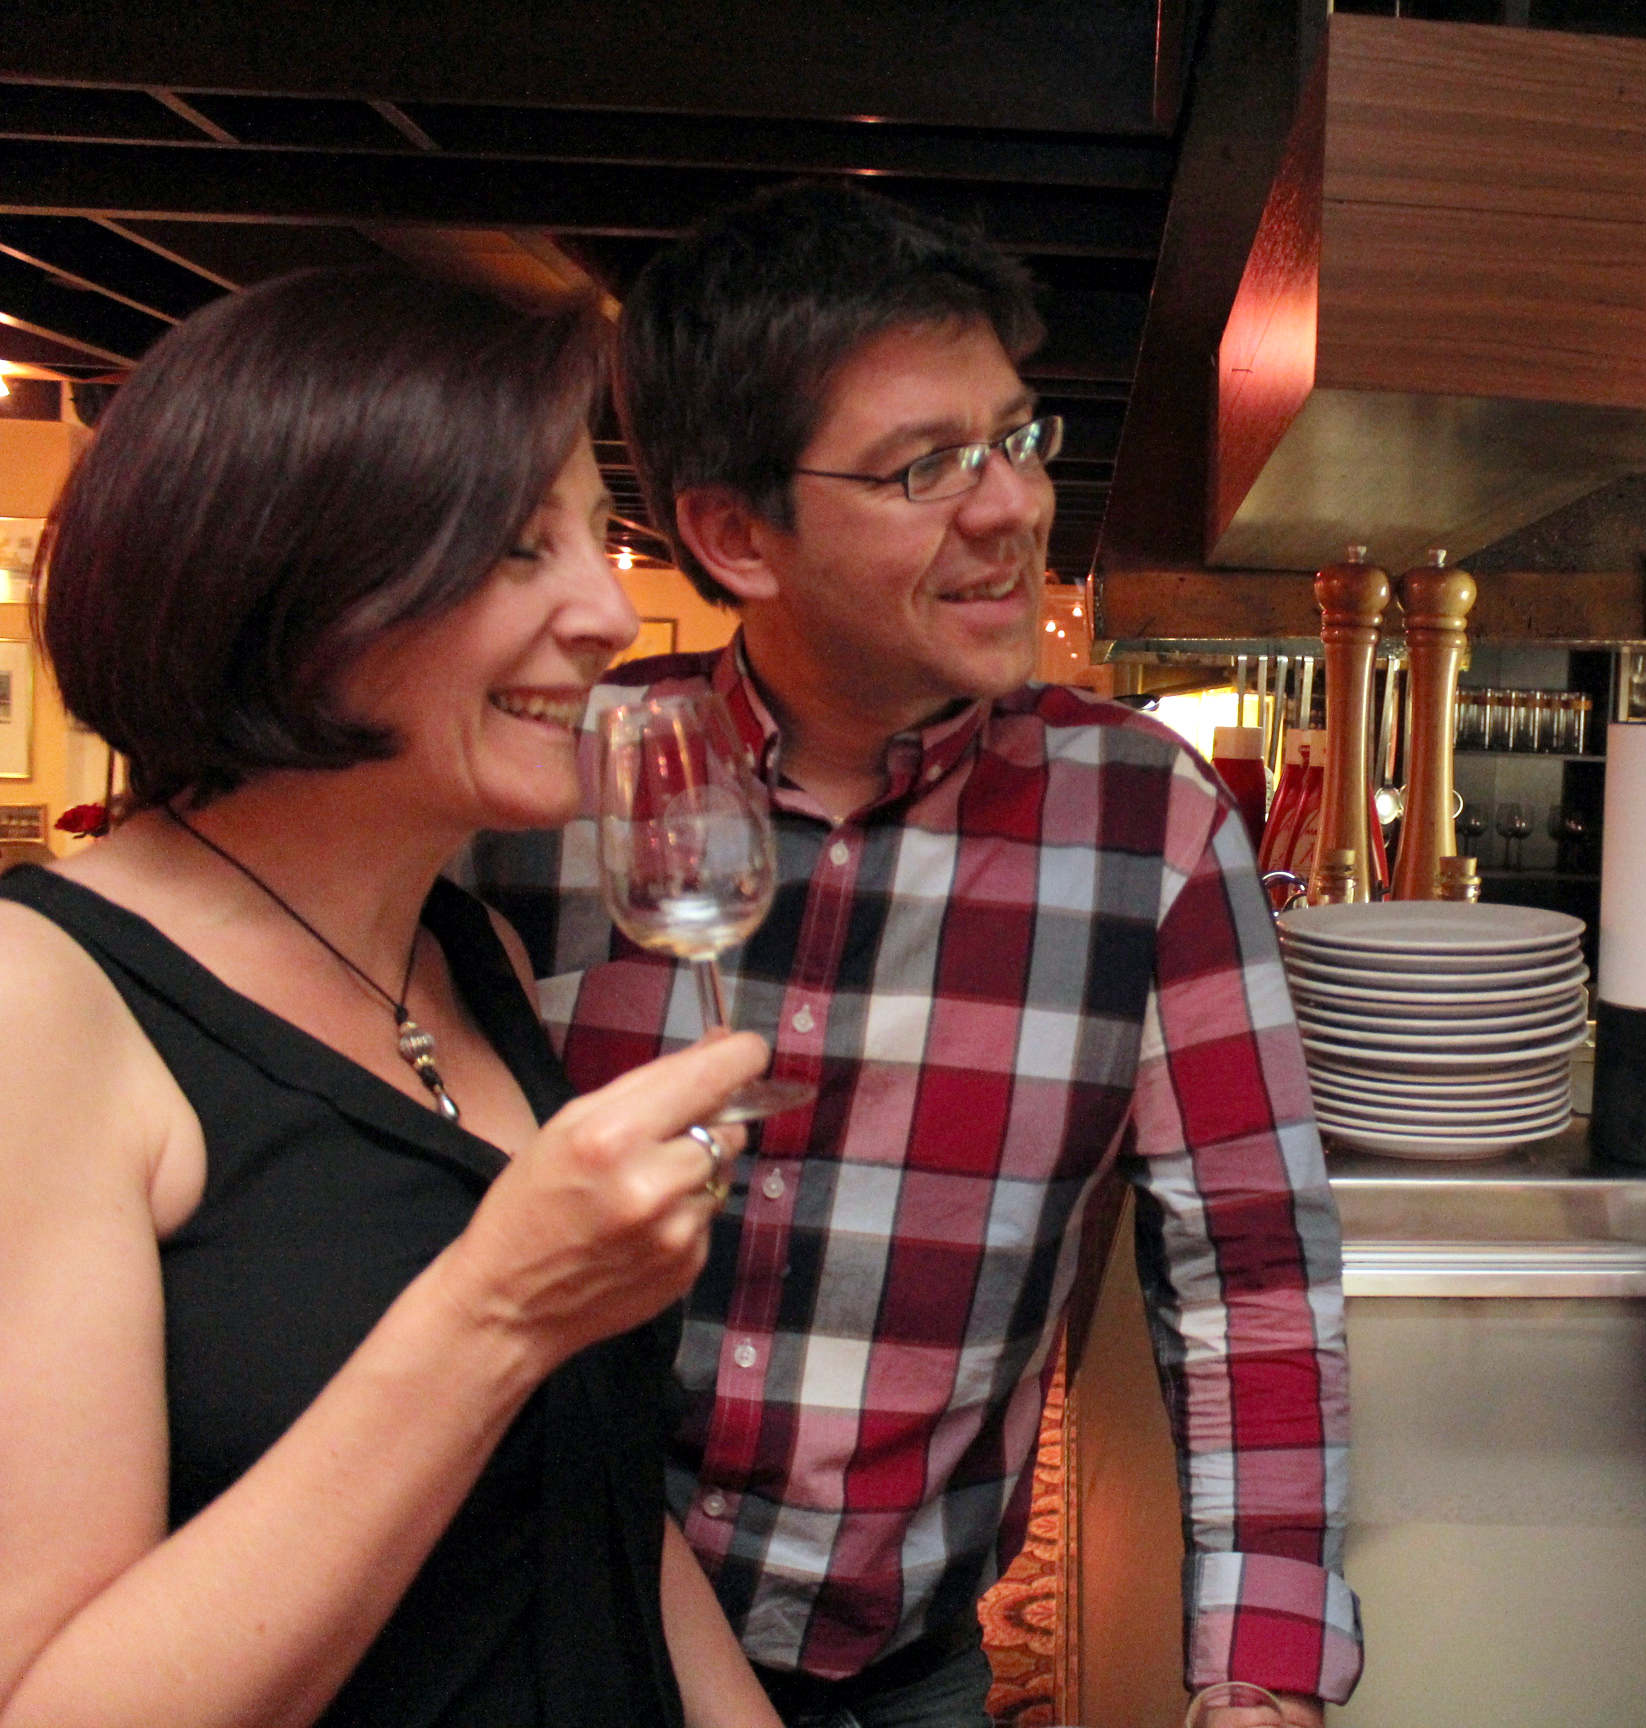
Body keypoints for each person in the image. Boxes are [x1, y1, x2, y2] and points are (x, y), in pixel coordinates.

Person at [468, 182, 1358, 1728]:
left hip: (899, 1675)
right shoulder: (555, 786)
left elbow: (1254, 1273)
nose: (1010, 508)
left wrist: (1261, 1678)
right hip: (531, 1641)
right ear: (732, 532)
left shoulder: (1142, 821)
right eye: (924, 466)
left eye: (1015, 438)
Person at [0, 265, 784, 1728]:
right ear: (293, 585)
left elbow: (589, 1502)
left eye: (596, 535)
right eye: (520, 545)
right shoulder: (38, 1004)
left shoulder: (463, 950)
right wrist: (498, 1312)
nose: (613, 612)